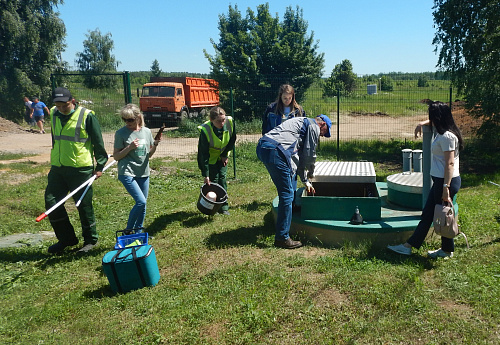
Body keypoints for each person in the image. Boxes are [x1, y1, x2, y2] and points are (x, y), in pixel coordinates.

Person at [388, 101, 464, 258]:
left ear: (438, 117)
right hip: (442, 181)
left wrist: (445, 188)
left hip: (445, 182)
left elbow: (449, 164)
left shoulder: (446, 137)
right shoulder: (446, 131)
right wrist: (422, 123)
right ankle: (445, 250)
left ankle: (409, 246)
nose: (431, 120)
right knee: (439, 213)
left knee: (432, 214)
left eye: (432, 117)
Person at [44, 87, 108, 254]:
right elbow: (55, 138)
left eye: (64, 105)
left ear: (72, 101)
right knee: (52, 203)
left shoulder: (86, 116)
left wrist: (100, 165)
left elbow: (98, 142)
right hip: (58, 169)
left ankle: (90, 240)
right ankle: (67, 239)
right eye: (58, 106)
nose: (61, 109)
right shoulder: (53, 113)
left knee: (83, 205)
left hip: (81, 169)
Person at [257, 115, 332, 249]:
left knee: (290, 181)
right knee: (286, 194)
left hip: (264, 146)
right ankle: (282, 238)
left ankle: (290, 212)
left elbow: (296, 156)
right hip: (276, 151)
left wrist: (302, 178)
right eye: (325, 132)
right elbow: (308, 155)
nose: (322, 135)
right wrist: (308, 178)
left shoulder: (301, 121)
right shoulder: (313, 126)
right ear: (322, 124)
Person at [113, 104, 161, 231]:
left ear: (138, 117)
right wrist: (129, 148)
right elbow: (116, 156)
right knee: (141, 202)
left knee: (143, 205)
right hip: (127, 172)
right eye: (124, 119)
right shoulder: (121, 133)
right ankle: (128, 231)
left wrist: (155, 145)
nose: (127, 122)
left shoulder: (146, 132)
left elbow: (149, 154)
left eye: (130, 119)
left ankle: (138, 233)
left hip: (143, 173)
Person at [197, 106, 236, 215]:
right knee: (213, 181)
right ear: (211, 120)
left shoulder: (230, 123)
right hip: (210, 158)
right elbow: (203, 154)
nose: (222, 123)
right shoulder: (205, 131)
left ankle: (224, 206)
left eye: (223, 120)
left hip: (222, 156)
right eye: (218, 121)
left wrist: (225, 155)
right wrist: (206, 174)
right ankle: (213, 207)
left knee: (222, 179)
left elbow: (232, 139)